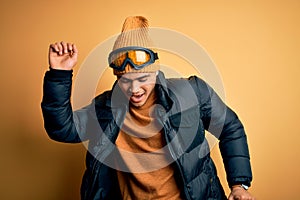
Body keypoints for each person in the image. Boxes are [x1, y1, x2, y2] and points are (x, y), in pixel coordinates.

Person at [41, 16, 255, 200]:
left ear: (155, 71)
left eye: (142, 78)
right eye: (124, 80)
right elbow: (63, 129)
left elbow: (231, 128)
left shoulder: (193, 93)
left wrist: (239, 185)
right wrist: (59, 75)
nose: (134, 89)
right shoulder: (105, 107)